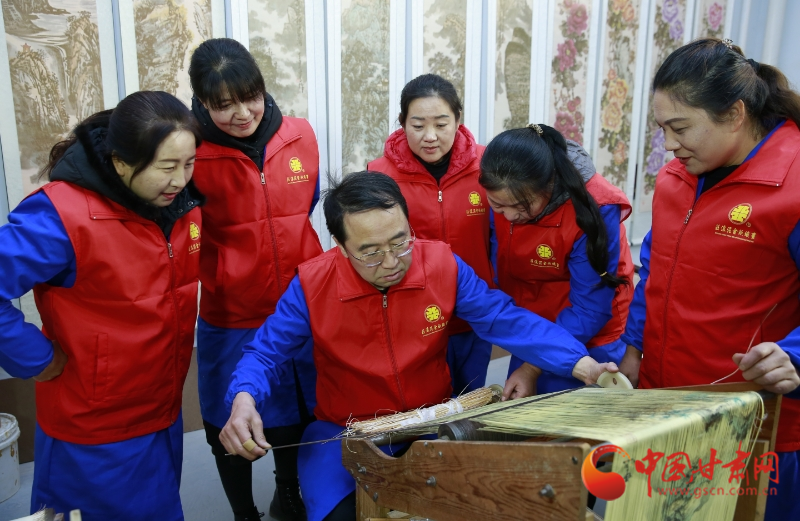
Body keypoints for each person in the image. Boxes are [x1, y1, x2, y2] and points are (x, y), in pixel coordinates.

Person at [218, 171, 620, 521]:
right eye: (370, 253)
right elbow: (265, 352)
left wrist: (580, 363)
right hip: (345, 429)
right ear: (340, 245)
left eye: (400, 242)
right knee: (340, 513)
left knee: (475, 501)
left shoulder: (442, 264)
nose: (391, 262)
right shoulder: (311, 284)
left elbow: (504, 319)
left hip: (433, 422)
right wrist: (244, 398)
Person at [616, 38, 800, 520]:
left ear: (735, 114)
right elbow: (656, 271)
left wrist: (794, 355)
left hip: (753, 420)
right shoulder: (676, 178)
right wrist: (633, 348)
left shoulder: (794, 185)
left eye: (680, 128)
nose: (668, 145)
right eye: (662, 129)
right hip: (664, 410)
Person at [0, 91, 203, 520]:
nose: (180, 180)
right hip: (94, 428)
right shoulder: (63, 215)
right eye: (167, 166)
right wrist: (35, 358)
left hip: (160, 412)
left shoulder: (180, 206)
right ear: (121, 162)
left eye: (189, 164)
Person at [188, 38, 322, 521]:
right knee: (229, 422)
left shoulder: (300, 135)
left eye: (251, 97)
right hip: (231, 312)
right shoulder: (191, 153)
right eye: (224, 105)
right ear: (202, 102)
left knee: (299, 412)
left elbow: (306, 205)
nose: (242, 113)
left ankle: (287, 490)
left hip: (299, 305)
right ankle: (243, 513)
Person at [478, 125, 633, 398]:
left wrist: (532, 367)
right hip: (534, 328)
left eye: (522, 207)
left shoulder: (595, 208)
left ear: (548, 187)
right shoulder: (502, 189)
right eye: (497, 206)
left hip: (587, 335)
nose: (509, 216)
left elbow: (590, 309)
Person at [368, 74, 493, 395]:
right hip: (413, 317)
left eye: (441, 124)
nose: (430, 136)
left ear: (458, 119)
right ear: (402, 123)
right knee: (425, 407)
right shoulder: (379, 175)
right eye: (418, 125)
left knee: (471, 401)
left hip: (474, 312)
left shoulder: (488, 166)